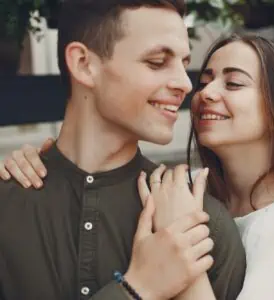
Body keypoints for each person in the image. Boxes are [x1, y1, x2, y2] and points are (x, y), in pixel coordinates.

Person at [2, 34, 274, 299]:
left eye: (234, 83)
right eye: (205, 80)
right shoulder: (188, 191)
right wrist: (44, 162)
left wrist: (184, 256)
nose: (205, 93)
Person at [0, 1, 246, 300]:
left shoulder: (203, 226)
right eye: (157, 61)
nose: (185, 83)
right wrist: (136, 289)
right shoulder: (7, 203)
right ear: (83, 64)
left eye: (184, 63)